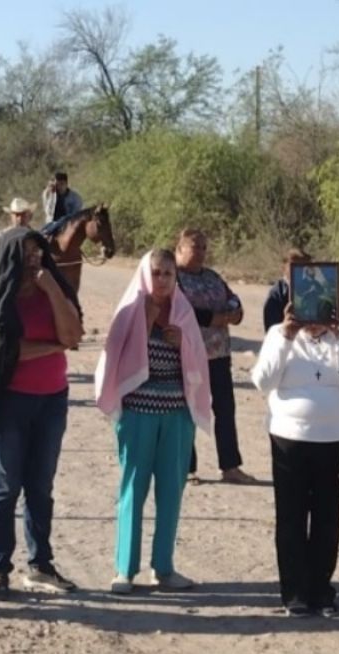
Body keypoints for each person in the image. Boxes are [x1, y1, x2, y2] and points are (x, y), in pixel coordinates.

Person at [0, 227, 83, 601]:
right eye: (26, 253)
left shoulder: (54, 289)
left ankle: (41, 566)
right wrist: (54, 345)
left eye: (38, 252)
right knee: (5, 487)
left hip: (52, 401)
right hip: (10, 403)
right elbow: (5, 351)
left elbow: (73, 335)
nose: (34, 259)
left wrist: (52, 291)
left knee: (40, 487)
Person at [95, 250, 214, 594]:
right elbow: (116, 359)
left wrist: (183, 344)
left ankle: (163, 568)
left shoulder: (183, 312)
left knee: (171, 491)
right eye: (157, 273)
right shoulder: (130, 310)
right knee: (133, 488)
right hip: (138, 415)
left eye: (168, 274)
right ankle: (125, 569)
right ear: (146, 274)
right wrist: (145, 326)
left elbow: (199, 362)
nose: (162, 280)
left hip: (176, 415)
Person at [251, 298, 339, 617]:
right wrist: (287, 335)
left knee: (328, 517)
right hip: (289, 439)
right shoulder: (278, 334)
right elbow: (263, 381)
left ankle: (321, 590)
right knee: (291, 516)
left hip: (334, 438)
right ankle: (294, 592)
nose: (314, 317)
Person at [174, 228, 255, 484]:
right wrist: (215, 318)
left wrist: (234, 313)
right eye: (194, 247)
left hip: (219, 354)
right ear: (180, 249)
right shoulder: (173, 277)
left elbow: (233, 299)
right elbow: (181, 310)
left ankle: (230, 466)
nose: (200, 252)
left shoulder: (212, 277)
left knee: (225, 409)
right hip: (187, 355)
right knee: (187, 411)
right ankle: (186, 468)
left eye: (203, 247)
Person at [263, 247, 312, 331]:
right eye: (295, 267)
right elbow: (271, 331)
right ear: (284, 268)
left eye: (303, 267)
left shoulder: (314, 289)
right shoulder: (276, 295)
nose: (300, 271)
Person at [40, 171, 83, 236]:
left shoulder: (75, 197)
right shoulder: (49, 194)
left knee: (64, 219)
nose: (59, 187)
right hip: (51, 223)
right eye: (57, 185)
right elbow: (48, 211)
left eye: (62, 184)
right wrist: (51, 194)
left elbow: (76, 213)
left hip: (68, 223)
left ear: (66, 184)